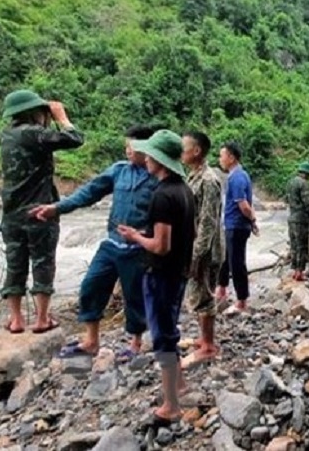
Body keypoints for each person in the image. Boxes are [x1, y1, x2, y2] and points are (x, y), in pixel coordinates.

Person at [32, 125, 159, 358]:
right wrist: (56, 208)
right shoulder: (119, 171)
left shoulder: (158, 177)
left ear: (146, 149)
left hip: (138, 247)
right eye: (126, 146)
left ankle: (136, 343)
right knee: (91, 286)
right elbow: (89, 193)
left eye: (131, 146)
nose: (127, 150)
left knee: (134, 296)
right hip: (112, 242)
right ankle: (91, 340)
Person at [117, 129, 195, 426]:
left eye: (149, 154)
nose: (145, 158)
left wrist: (136, 236)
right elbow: (191, 233)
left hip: (161, 274)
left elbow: (161, 246)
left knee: (162, 336)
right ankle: (180, 384)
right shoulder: (184, 189)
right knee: (169, 327)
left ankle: (171, 405)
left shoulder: (161, 195)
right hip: (179, 273)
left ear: (159, 160)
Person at [0, 90, 84, 334]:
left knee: (14, 265)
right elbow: (75, 138)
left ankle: (15, 320)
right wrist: (60, 116)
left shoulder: (4, 135)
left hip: (11, 214)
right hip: (40, 211)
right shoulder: (34, 133)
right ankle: (42, 319)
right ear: (33, 112)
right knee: (43, 263)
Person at [180, 131, 224, 366]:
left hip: (207, 250)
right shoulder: (193, 176)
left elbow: (208, 222)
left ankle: (208, 345)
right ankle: (203, 338)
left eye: (184, 146)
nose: (181, 151)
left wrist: (197, 256)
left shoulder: (209, 180)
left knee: (205, 293)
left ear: (196, 151)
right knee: (197, 291)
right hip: (196, 246)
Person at [218, 142, 258, 313]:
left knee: (236, 262)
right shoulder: (235, 176)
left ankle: (242, 300)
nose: (220, 159)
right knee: (225, 259)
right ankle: (222, 290)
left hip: (237, 226)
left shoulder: (238, 177)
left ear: (231, 158)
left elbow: (244, 205)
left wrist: (253, 220)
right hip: (231, 224)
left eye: (222, 156)